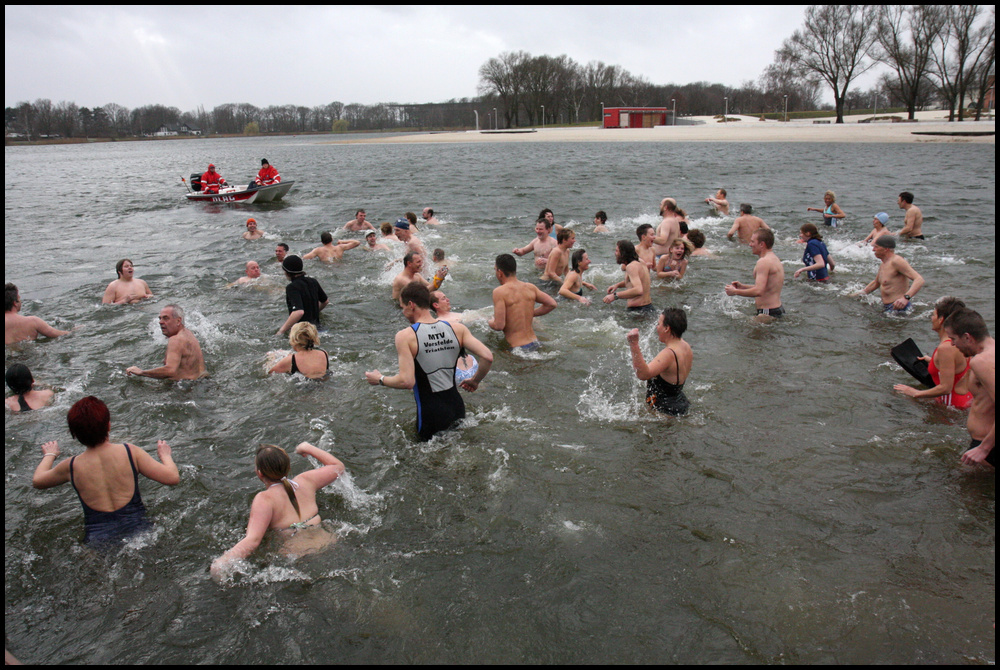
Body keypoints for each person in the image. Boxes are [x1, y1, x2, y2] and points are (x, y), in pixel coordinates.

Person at [31, 396, 179, 545]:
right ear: (108, 426)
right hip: (141, 534)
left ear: (74, 435)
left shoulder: (71, 466)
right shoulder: (130, 452)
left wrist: (50, 454)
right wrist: (165, 456)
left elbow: (38, 481)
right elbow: (172, 477)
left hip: (97, 540)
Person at [366, 281, 494, 441]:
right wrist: (475, 381)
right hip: (457, 407)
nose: (403, 311)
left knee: (429, 461)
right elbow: (488, 357)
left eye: (402, 306)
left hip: (430, 413)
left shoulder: (405, 336)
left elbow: (406, 382)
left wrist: (380, 379)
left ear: (411, 305)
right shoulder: (457, 328)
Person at [211, 442, 345, 578]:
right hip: (329, 543)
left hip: (297, 559)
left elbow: (253, 540)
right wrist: (307, 448)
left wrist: (220, 565)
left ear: (259, 473)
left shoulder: (265, 499)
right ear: (288, 467)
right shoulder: (306, 481)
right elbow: (337, 467)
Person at [894, 296, 973, 409]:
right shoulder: (960, 341)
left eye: (933, 315)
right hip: (965, 401)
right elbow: (958, 368)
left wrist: (914, 393)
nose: (931, 318)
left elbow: (946, 388)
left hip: (951, 407)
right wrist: (933, 362)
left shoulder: (946, 348)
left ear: (941, 320)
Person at [943, 308, 995, 467]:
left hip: (987, 446)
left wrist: (984, 449)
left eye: (953, 338)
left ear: (967, 337)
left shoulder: (980, 362)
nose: (952, 344)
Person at [626, 307, 693, 416]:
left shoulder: (669, 353)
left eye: (659, 324)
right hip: (680, 402)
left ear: (667, 328)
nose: (657, 327)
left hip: (664, 410)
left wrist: (634, 344)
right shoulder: (685, 346)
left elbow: (643, 374)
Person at [489, 253, 557, 350]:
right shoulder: (530, 287)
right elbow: (552, 304)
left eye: (495, 270)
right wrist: (529, 313)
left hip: (518, 348)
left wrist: (490, 322)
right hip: (535, 343)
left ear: (500, 272)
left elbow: (499, 326)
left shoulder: (499, 292)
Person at [127, 305, 207, 380]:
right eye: (160, 318)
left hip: (186, 388)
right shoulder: (188, 334)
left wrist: (142, 372)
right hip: (202, 382)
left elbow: (170, 371)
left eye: (166, 318)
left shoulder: (176, 340)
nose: (160, 322)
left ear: (178, 321)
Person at [724, 228, 785, 320]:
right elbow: (766, 288)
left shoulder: (763, 262)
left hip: (767, 312)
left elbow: (758, 291)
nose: (750, 244)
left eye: (752, 242)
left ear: (762, 244)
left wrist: (735, 292)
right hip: (776, 309)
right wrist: (742, 286)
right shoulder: (774, 258)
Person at [854, 236, 924, 313]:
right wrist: (858, 294)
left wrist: (906, 298)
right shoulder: (884, 263)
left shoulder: (897, 261)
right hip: (888, 307)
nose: (873, 250)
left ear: (886, 249)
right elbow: (876, 283)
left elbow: (919, 279)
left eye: (876, 247)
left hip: (899, 308)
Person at [430, 290, 480, 386]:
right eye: (444, 298)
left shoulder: (460, 315)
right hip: (456, 364)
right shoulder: (437, 323)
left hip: (466, 361)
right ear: (436, 305)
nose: (448, 300)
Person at [5, 283, 70, 345]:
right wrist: (77, 329)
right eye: (19, 298)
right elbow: (61, 334)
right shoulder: (33, 321)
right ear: (15, 303)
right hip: (28, 354)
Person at [278, 255, 328, 335]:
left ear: (287, 272)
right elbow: (325, 301)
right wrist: (313, 312)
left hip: (304, 332)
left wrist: (281, 331)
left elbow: (298, 312)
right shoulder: (313, 281)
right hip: (319, 329)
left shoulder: (292, 287)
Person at [603, 240, 653, 313]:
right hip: (648, 308)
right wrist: (617, 285)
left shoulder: (631, 267)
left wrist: (615, 296)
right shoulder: (640, 262)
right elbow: (637, 281)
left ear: (623, 254)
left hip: (638, 310)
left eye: (617, 251)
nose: (615, 253)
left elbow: (638, 290)